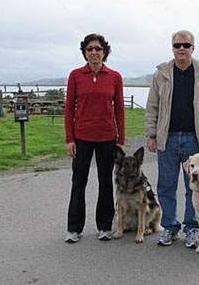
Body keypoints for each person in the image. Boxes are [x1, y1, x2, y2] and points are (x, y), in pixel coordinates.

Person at [145, 30, 199, 247]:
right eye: (177, 45)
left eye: (186, 45)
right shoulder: (161, 74)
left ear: (192, 48)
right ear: (172, 47)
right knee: (166, 186)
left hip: (195, 140)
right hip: (167, 139)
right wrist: (151, 135)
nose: (181, 49)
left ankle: (192, 228)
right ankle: (169, 227)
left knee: (194, 188)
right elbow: (152, 107)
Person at [64, 33, 125, 243]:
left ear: (104, 52)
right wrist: (69, 139)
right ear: (84, 52)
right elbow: (68, 108)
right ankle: (74, 228)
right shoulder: (76, 75)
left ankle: (105, 226)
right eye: (89, 49)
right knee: (78, 181)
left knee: (105, 182)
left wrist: (121, 139)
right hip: (81, 137)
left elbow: (119, 110)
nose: (94, 52)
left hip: (107, 137)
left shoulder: (114, 77)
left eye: (98, 49)